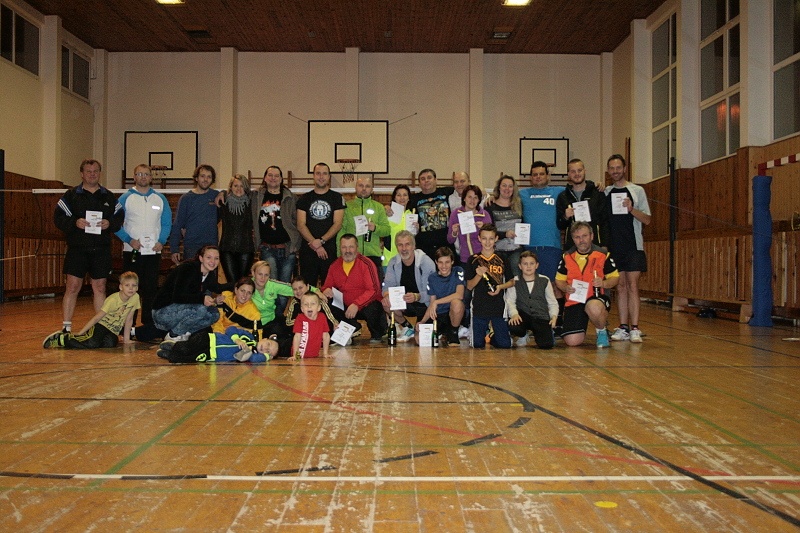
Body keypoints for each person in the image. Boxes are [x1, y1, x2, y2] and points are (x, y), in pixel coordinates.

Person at [54, 159, 124, 333]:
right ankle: (66, 327)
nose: (92, 174)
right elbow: (58, 218)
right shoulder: (71, 195)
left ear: (100, 173)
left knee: (100, 287)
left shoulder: (109, 196)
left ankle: (101, 327)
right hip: (77, 249)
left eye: (95, 171)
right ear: (82, 174)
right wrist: (74, 222)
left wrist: (110, 223)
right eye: (88, 171)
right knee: (72, 286)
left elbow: (119, 217)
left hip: (101, 249)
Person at [115, 163, 172, 329]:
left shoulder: (160, 199)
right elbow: (114, 223)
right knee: (130, 288)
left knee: (150, 288)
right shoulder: (125, 198)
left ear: (151, 177)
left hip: (153, 252)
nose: (143, 177)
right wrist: (129, 240)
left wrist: (161, 241)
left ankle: (148, 324)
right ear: (134, 177)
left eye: (146, 174)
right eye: (139, 174)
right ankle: (128, 325)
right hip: (132, 251)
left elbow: (167, 223)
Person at [604, 154, 651, 343]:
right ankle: (623, 327)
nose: (615, 171)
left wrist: (632, 209)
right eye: (612, 168)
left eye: (618, 168)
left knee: (632, 285)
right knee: (620, 287)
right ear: (608, 171)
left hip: (633, 246)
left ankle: (635, 328)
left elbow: (647, 219)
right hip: (615, 248)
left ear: (624, 169)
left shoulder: (637, 191)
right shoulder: (606, 192)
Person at [555, 222, 620, 348]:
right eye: (577, 237)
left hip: (596, 298)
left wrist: (603, 283)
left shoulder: (603, 255)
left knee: (593, 307)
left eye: (584, 236)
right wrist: (565, 287)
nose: (581, 240)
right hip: (575, 300)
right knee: (572, 342)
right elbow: (559, 280)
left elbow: (615, 278)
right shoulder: (567, 256)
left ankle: (601, 331)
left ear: (591, 236)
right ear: (573, 239)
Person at [151, 245, 230, 343]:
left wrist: (237, 285)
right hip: (162, 312)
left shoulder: (209, 274)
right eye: (209, 257)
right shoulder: (188, 269)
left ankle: (184, 333)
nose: (212, 261)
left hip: (182, 310)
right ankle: (173, 335)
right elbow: (178, 297)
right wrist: (202, 299)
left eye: (216, 258)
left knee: (214, 314)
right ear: (201, 258)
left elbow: (218, 288)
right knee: (201, 308)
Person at [43, 271, 140, 349]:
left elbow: (129, 319)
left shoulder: (135, 297)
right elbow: (96, 318)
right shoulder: (113, 300)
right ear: (120, 287)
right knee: (92, 343)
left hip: (113, 330)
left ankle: (91, 341)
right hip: (101, 325)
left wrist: (126, 339)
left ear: (137, 287)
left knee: (110, 344)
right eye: (127, 285)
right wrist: (81, 332)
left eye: (134, 285)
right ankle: (63, 338)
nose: (131, 288)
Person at [321, 234, 386, 343]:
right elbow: (326, 286)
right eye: (344, 247)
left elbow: (374, 290)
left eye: (351, 247)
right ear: (340, 248)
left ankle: (379, 331)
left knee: (373, 307)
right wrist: (326, 290)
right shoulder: (334, 266)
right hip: (346, 307)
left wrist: (357, 304)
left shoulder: (367, 264)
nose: (347, 251)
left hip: (366, 305)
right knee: (325, 301)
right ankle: (352, 327)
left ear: (357, 247)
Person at [382, 230, 436, 342]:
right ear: (397, 247)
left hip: (425, 304)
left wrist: (417, 296)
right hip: (404, 303)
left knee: (419, 340)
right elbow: (387, 286)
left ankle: (432, 329)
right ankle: (407, 327)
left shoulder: (426, 262)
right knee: (386, 304)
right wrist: (387, 295)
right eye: (400, 245)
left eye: (407, 244)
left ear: (414, 246)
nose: (404, 248)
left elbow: (433, 293)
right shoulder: (393, 262)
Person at [296, 162, 345, 285]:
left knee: (329, 288)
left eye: (324, 174)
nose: (321, 177)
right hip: (308, 251)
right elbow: (301, 224)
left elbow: (338, 224)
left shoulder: (337, 198)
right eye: (318, 173)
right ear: (313, 176)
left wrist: (321, 241)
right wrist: (315, 243)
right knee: (308, 288)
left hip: (329, 251)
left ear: (329, 177)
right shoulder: (304, 198)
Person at [465, 224, 513, 349]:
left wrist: (500, 287)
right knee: (477, 345)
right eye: (484, 238)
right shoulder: (473, 260)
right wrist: (478, 275)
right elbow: (469, 286)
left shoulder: (502, 258)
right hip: (479, 307)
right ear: (479, 239)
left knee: (505, 345)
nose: (487, 242)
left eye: (491, 238)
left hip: (498, 306)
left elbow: (512, 281)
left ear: (496, 238)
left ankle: (492, 336)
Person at [251, 165, 301, 283]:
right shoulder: (256, 197)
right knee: (271, 284)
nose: (273, 178)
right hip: (267, 248)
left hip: (287, 249)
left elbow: (299, 222)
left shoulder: (291, 198)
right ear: (265, 178)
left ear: (281, 179)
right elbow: (237, 193)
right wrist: (221, 193)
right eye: (270, 175)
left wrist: (296, 244)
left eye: (276, 176)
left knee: (284, 285)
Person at [519, 161, 564, 283]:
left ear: (547, 176)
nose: (538, 177)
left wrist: (598, 186)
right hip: (529, 248)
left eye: (541, 174)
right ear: (530, 178)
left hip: (552, 247)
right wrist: (489, 196)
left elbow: (579, 189)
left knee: (553, 284)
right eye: (535, 174)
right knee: (531, 285)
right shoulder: (522, 194)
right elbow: (503, 195)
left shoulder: (559, 191)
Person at [339, 175, 390, 278]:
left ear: (372, 189)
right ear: (355, 187)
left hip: (373, 256)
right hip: (352, 255)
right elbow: (341, 231)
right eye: (361, 185)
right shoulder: (347, 207)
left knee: (374, 286)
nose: (364, 189)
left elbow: (387, 230)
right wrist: (339, 254)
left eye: (367, 186)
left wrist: (375, 228)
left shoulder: (379, 207)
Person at [506, 251, 558, 349]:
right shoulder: (514, 281)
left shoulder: (545, 280)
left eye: (531, 263)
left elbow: (552, 302)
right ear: (520, 266)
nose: (528, 266)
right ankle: (522, 334)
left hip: (540, 316)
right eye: (525, 264)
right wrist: (514, 314)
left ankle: (546, 332)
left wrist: (553, 316)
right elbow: (510, 301)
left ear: (537, 265)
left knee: (546, 345)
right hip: (522, 315)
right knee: (514, 326)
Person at [168, 164, 219, 265]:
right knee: (191, 274)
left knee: (210, 275)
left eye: (209, 177)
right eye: (202, 176)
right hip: (191, 247)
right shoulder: (186, 198)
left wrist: (223, 193)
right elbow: (177, 224)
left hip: (211, 247)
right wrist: (174, 249)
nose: (205, 179)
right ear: (196, 178)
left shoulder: (216, 196)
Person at [159, 326, 288, 364]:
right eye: (268, 344)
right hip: (210, 339)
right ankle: (173, 346)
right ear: (264, 338)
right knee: (187, 348)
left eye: (268, 351)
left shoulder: (251, 355)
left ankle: (170, 354)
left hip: (210, 355)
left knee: (186, 359)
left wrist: (266, 357)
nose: (265, 348)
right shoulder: (248, 337)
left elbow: (254, 359)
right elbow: (230, 329)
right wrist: (237, 339)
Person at [556, 158, 609, 250]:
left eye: (579, 170)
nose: (577, 174)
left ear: (585, 171)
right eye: (573, 171)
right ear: (569, 174)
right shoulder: (563, 196)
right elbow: (560, 225)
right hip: (572, 247)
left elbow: (605, 222)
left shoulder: (597, 193)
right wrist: (565, 217)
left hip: (595, 245)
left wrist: (605, 245)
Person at [420, 246, 465, 346]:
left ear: (452, 262)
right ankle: (443, 333)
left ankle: (453, 332)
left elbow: (459, 295)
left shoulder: (458, 271)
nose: (444, 266)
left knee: (456, 302)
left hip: (453, 313)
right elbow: (432, 303)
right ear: (436, 262)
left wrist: (437, 302)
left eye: (447, 262)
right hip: (439, 315)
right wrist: (422, 321)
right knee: (419, 339)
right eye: (440, 262)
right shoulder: (432, 278)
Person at [408, 168, 455, 261]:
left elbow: (467, 192)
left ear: (436, 180)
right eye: (423, 179)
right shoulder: (413, 199)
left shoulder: (448, 192)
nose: (426, 181)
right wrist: (387, 208)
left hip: (446, 245)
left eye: (429, 177)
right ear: (419, 183)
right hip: (424, 247)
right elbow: (399, 207)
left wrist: (484, 196)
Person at [485, 174, 523, 280]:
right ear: (499, 187)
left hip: (516, 249)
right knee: (498, 278)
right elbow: (488, 231)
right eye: (504, 185)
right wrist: (504, 234)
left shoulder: (519, 205)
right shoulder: (490, 207)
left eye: (510, 186)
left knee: (516, 277)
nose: (507, 189)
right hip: (497, 249)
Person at [218, 174, 255, 284]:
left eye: (242, 186)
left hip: (246, 249)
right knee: (232, 282)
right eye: (235, 186)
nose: (239, 189)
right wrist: (222, 192)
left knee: (242, 282)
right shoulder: (223, 202)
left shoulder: (252, 203)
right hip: (227, 249)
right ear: (231, 187)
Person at [447, 184, 492, 264]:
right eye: (469, 197)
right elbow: (450, 240)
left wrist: (484, 229)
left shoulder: (485, 215)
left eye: (475, 198)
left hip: (483, 257)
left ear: (479, 200)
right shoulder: (456, 214)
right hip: (465, 258)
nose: (472, 200)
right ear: (464, 198)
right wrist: (454, 232)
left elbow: (492, 238)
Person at [249, 260, 295, 334]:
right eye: (260, 274)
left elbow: (296, 289)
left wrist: (313, 290)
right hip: (251, 324)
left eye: (266, 275)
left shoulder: (272, 285)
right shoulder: (246, 286)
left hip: (271, 321)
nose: (263, 278)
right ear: (253, 273)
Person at [292, 292, 331, 359]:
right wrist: (295, 355)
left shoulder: (322, 317)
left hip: (314, 356)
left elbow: (326, 335)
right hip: (300, 355)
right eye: (305, 304)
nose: (309, 306)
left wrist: (325, 353)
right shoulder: (300, 318)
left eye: (313, 304)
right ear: (302, 309)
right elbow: (297, 337)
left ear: (319, 307)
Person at [382, 184, 412, 269]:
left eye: (405, 195)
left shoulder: (412, 215)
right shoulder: (388, 213)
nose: (402, 198)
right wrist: (384, 209)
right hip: (390, 259)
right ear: (394, 198)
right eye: (399, 195)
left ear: (408, 198)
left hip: (408, 259)